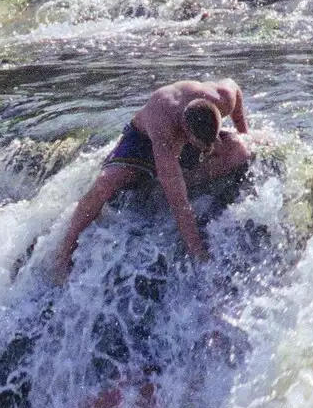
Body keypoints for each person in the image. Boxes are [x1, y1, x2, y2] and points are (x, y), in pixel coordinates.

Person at [52, 78, 251, 284]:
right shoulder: (163, 129)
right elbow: (180, 204)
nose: (207, 152)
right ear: (184, 129)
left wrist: (243, 131)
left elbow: (234, 86)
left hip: (192, 132)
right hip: (144, 139)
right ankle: (64, 253)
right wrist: (200, 254)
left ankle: (174, 180)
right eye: (203, 147)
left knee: (241, 151)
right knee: (107, 182)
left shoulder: (223, 96)